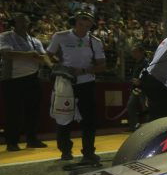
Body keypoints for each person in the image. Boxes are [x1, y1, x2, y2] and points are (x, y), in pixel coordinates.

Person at [46, 11, 106, 163]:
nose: (83, 29)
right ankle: (65, 150)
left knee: (89, 120)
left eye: (87, 26)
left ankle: (89, 152)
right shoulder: (61, 36)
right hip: (66, 83)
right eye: (80, 24)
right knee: (63, 116)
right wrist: (56, 66)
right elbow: (47, 55)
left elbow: (102, 65)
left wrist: (85, 70)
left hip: (87, 83)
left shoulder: (95, 41)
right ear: (74, 22)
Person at [0, 13, 50, 152]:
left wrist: (45, 59)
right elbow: (6, 54)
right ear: (13, 23)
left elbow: (43, 57)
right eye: (21, 21)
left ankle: (32, 140)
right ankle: (12, 142)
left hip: (33, 78)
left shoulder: (35, 40)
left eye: (26, 21)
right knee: (13, 113)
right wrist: (30, 55)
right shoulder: (5, 36)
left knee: (33, 112)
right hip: (12, 79)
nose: (24, 24)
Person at [126, 45, 148, 132]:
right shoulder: (136, 62)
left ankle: (148, 129)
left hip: (144, 89)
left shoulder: (146, 63)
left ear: (141, 52)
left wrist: (140, 81)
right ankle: (134, 128)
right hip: (136, 89)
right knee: (130, 106)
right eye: (132, 52)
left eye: (135, 52)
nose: (133, 54)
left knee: (145, 108)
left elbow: (149, 77)